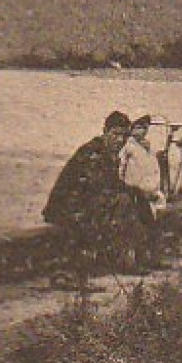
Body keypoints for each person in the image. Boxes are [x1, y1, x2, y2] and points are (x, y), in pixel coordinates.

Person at [43, 110, 158, 270]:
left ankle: (142, 255)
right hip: (67, 208)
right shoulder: (93, 152)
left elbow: (111, 184)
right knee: (123, 202)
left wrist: (138, 194)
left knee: (134, 197)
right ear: (105, 132)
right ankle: (125, 260)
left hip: (83, 204)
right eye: (115, 134)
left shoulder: (108, 152)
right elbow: (96, 187)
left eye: (124, 136)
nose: (119, 140)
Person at [118, 115, 164, 208]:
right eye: (138, 127)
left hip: (151, 194)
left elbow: (153, 169)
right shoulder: (127, 146)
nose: (142, 131)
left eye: (145, 128)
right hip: (134, 194)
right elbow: (121, 169)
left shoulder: (148, 147)